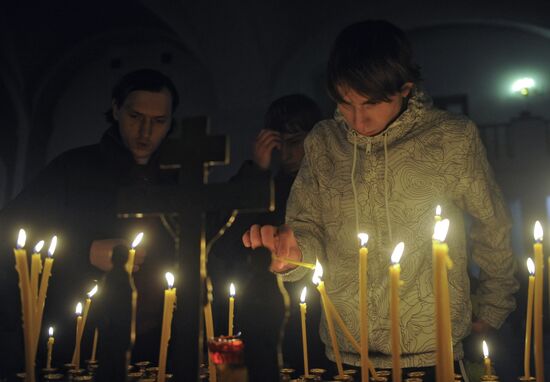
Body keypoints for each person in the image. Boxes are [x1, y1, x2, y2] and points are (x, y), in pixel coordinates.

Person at [242, 20, 518, 378]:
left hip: (432, 349)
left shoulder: (450, 139)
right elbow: (306, 228)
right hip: (345, 350)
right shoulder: (324, 142)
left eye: (371, 103)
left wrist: (493, 306)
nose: (358, 119)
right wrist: (293, 255)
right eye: (345, 103)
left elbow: (492, 222)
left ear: (404, 89)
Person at [0, 69, 179, 374]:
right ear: (115, 109)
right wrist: (85, 251)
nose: (145, 131)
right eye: (135, 116)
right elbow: (11, 234)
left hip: (157, 344)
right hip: (76, 339)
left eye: (159, 121)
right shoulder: (73, 168)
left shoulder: (178, 181)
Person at [209, 94, 324, 380]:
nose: (285, 152)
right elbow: (224, 240)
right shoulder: (263, 186)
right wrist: (257, 170)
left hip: (314, 314)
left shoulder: (329, 186)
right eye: (278, 143)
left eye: (295, 142)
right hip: (257, 307)